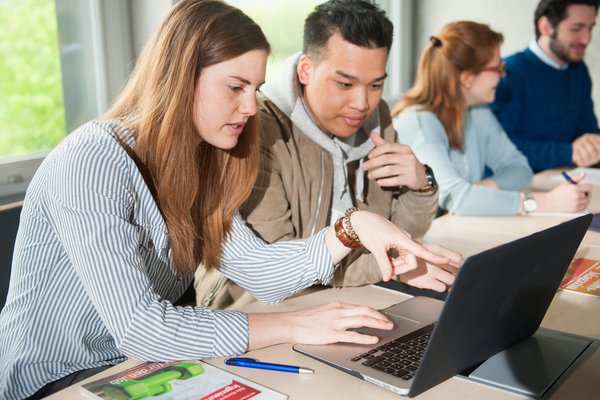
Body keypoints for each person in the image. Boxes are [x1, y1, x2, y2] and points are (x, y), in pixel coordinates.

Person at [0, 1, 458, 398]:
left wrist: (353, 227)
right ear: (180, 78)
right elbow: (144, 329)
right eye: (235, 87)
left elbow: (263, 272)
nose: (248, 106)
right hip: (57, 380)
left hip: (140, 368)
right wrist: (295, 325)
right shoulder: (94, 159)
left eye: (254, 89)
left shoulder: (200, 162)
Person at [195, 0, 460, 309]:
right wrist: (396, 264)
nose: (362, 102)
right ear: (307, 69)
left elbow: (403, 234)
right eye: (345, 83)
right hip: (260, 309)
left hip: (353, 296)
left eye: (376, 84)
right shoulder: (256, 130)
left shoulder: (377, 118)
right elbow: (285, 265)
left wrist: (421, 184)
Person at [391, 21, 592, 216]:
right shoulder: (420, 123)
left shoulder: (477, 111)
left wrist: (477, 190)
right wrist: (541, 203)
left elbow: (520, 168)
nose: (503, 76)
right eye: (497, 69)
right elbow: (455, 198)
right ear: (467, 78)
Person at [490, 0, 600, 172]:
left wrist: (592, 146)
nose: (587, 39)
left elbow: (587, 132)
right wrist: (569, 152)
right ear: (546, 27)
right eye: (577, 28)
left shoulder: (579, 72)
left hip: (564, 176)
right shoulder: (508, 73)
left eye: (590, 28)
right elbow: (497, 148)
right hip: (516, 184)